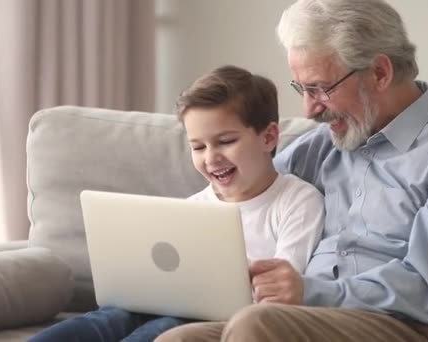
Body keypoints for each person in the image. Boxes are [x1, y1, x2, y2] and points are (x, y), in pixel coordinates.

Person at [156, 1, 428, 342]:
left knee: (257, 324)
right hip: (308, 317)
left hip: (416, 329)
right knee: (179, 337)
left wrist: (307, 291)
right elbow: (252, 197)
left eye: (320, 88)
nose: (310, 110)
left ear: (379, 73)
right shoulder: (322, 147)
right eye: (302, 88)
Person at [28, 65, 325, 342]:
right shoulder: (191, 208)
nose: (211, 158)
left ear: (268, 137)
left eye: (225, 141)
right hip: (165, 303)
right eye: (198, 146)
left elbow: (284, 285)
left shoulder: (297, 200)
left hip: (223, 320)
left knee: (164, 328)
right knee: (106, 319)